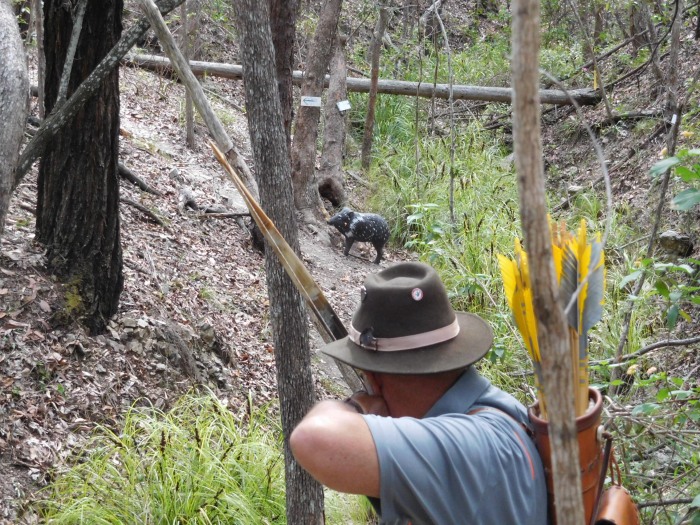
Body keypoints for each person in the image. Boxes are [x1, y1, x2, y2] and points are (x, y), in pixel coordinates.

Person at [290, 261, 548, 524]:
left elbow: (312, 439)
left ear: (374, 381)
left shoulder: (461, 445)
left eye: (364, 383)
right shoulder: (498, 413)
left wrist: (357, 407)